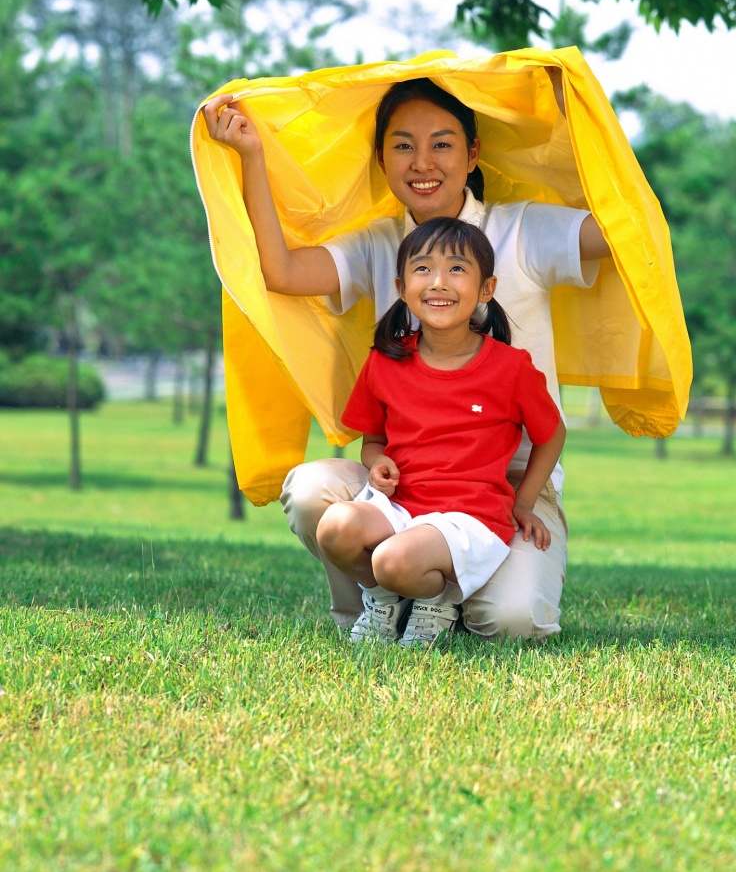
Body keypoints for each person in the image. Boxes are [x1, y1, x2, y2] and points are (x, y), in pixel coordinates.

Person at [202, 74, 611, 641]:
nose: (423, 162)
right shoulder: (378, 242)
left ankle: (445, 596)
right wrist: (250, 155)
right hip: (406, 482)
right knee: (310, 490)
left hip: (506, 485)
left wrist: (584, 125)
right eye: (403, 145)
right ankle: (378, 608)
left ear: (472, 154)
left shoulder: (522, 229)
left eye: (442, 143)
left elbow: (620, 233)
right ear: (381, 158)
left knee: (511, 621)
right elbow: (282, 272)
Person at [317, 217, 565, 646]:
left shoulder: (511, 368)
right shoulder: (385, 362)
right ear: (401, 286)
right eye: (423, 268)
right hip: (402, 507)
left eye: (456, 269)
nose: (438, 282)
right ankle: (382, 601)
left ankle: (438, 604)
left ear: (486, 289)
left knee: (395, 559)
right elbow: (372, 440)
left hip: (470, 518)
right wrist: (377, 465)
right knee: (335, 526)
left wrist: (524, 502)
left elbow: (552, 434)